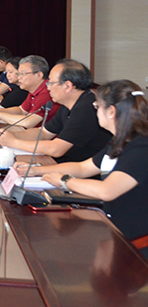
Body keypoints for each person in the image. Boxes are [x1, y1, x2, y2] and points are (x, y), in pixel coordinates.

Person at [15, 81, 148, 257]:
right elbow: (83, 168)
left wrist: (64, 181)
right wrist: (37, 170)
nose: (95, 111)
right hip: (117, 229)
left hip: (137, 242)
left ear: (111, 111)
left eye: (97, 106)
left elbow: (107, 191)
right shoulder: (119, 141)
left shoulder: (141, 146)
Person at [0, 59, 111, 163]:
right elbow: (44, 133)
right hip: (67, 162)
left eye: (50, 83)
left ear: (67, 85)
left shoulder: (87, 108)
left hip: (85, 170)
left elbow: (56, 149)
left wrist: (13, 142)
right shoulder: (67, 104)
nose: (48, 87)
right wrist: (11, 135)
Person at [0, 55, 59, 128]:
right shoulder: (33, 90)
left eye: (22, 74)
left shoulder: (47, 92)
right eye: (18, 74)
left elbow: (28, 122)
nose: (19, 77)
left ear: (38, 75)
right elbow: (21, 110)